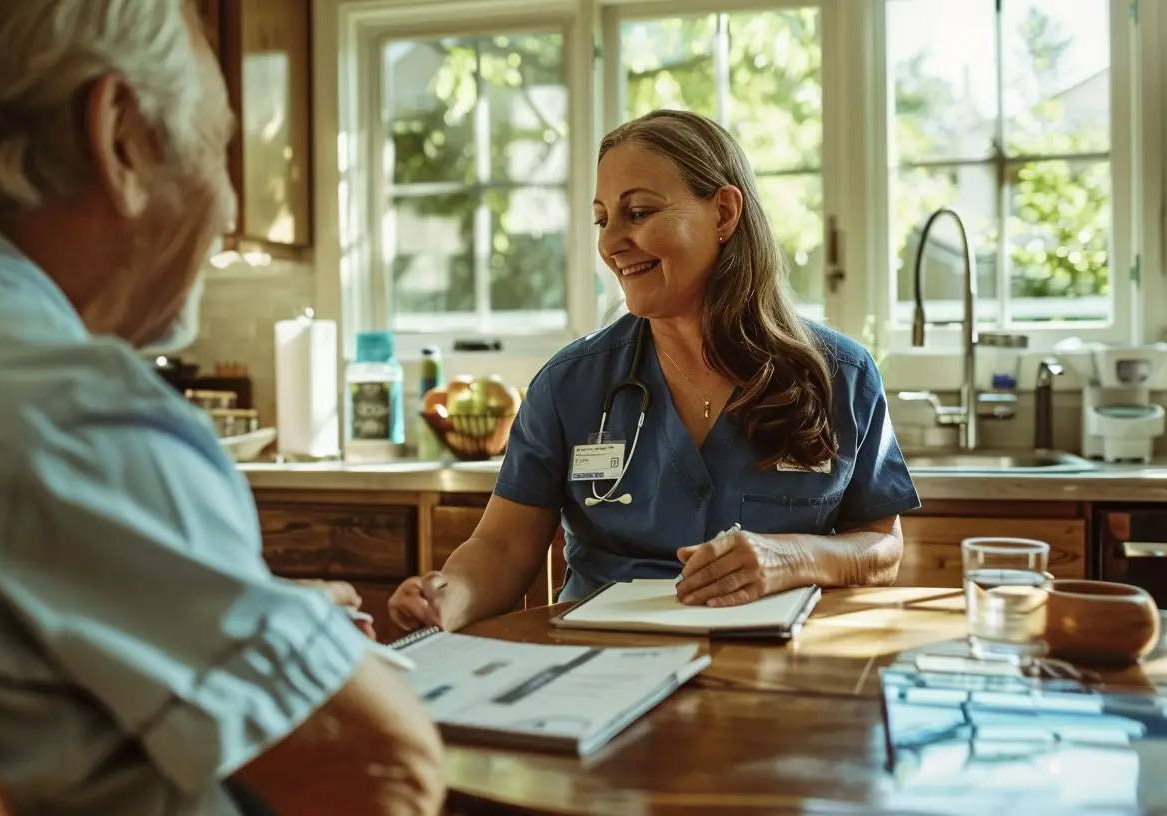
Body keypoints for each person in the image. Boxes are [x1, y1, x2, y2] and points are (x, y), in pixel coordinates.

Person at [0, 2, 442, 815]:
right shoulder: (65, 410)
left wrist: (276, 620)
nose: (229, 202)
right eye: (218, 146)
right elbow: (380, 776)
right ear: (118, 136)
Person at [390, 109, 920, 633]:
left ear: (724, 213)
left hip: (773, 666)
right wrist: (449, 598)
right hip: (602, 665)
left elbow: (881, 547)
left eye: (638, 212)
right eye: (602, 219)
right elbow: (502, 548)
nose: (609, 242)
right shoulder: (569, 386)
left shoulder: (840, 374)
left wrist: (795, 557)